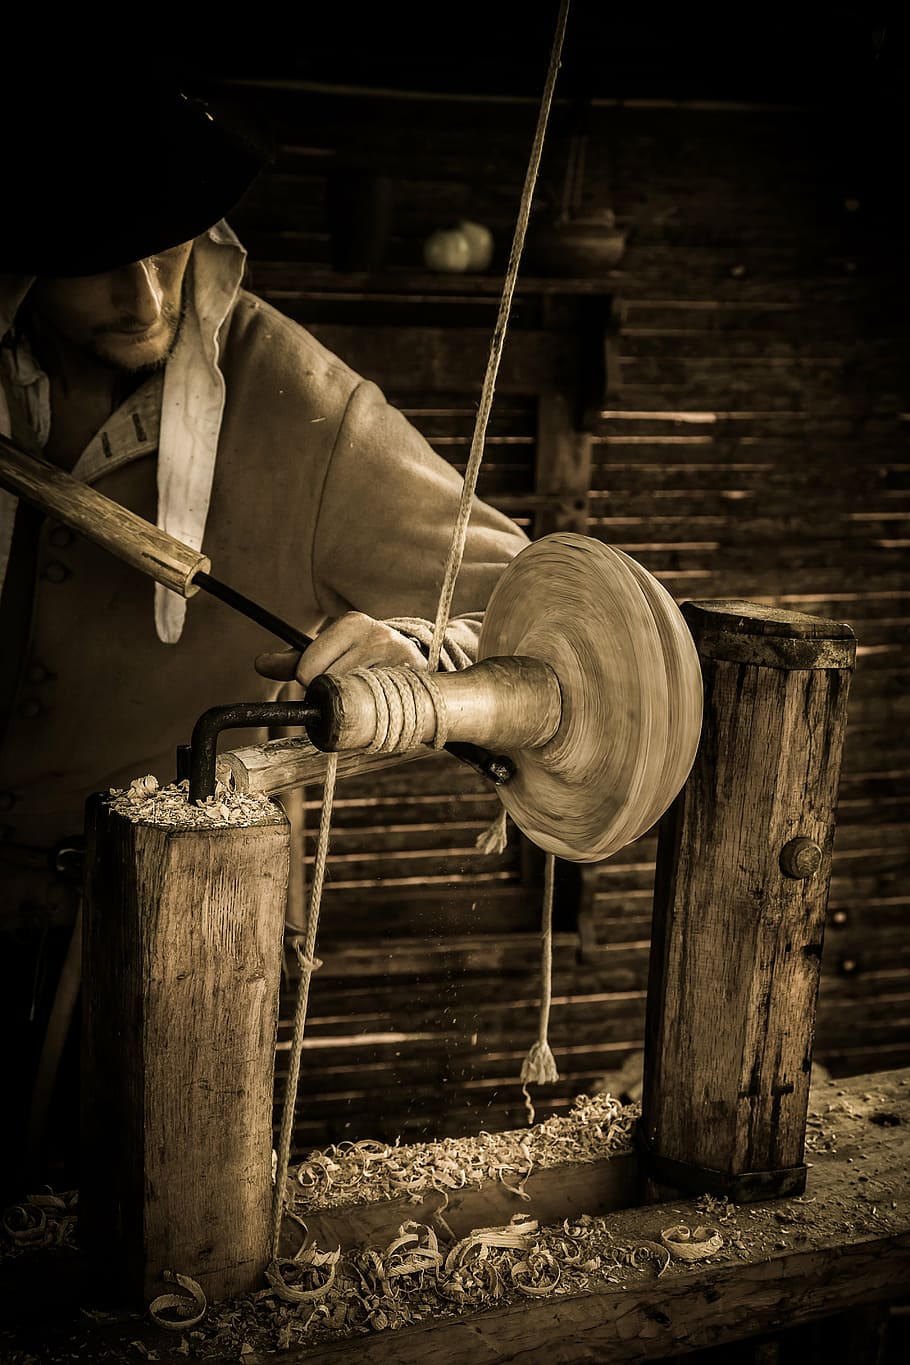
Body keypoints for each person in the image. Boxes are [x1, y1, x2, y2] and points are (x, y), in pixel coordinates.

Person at [0, 75, 529, 1199]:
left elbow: (524, 606)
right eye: (97, 257)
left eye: (170, 247)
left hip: (158, 948)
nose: (145, 294)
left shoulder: (303, 404)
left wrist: (417, 649)